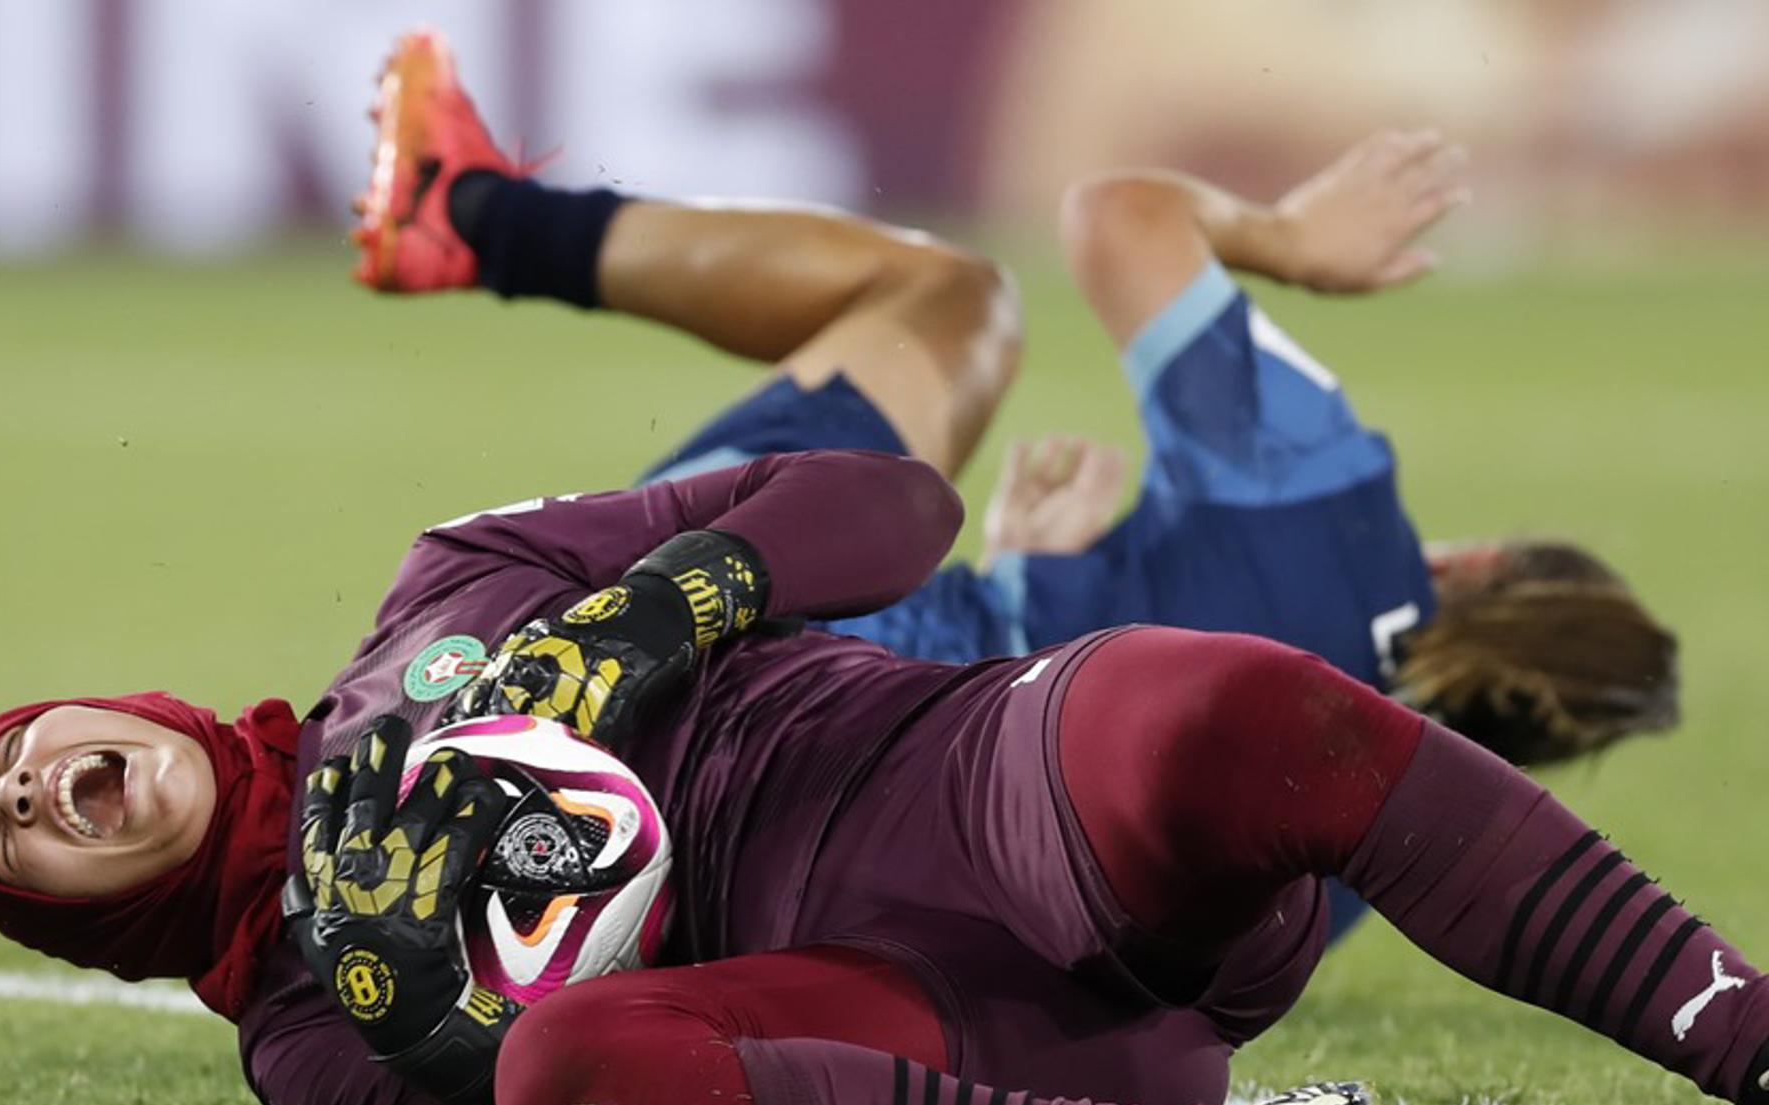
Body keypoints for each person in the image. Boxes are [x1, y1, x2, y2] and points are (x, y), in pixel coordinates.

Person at [0, 31, 1767, 1105]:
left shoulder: (451, 593)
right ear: (74, 927)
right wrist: (460, 981)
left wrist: (658, 609)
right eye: (7, 841)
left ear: (117, 706)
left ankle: (1740, 1030)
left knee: (1234, 711)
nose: (26, 789)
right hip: (910, 1026)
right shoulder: (310, 1037)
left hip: (982, 784)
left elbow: (894, 509)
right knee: (577, 1096)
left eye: (11, 753)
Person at [359, 59, 1678, 938]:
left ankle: (468, 212)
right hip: (754, 893)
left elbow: (1120, 216)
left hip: (719, 667)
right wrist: (1040, 608)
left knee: (955, 305)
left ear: (1484, 565)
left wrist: (1289, 245)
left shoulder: (1338, 509)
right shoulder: (1335, 879)